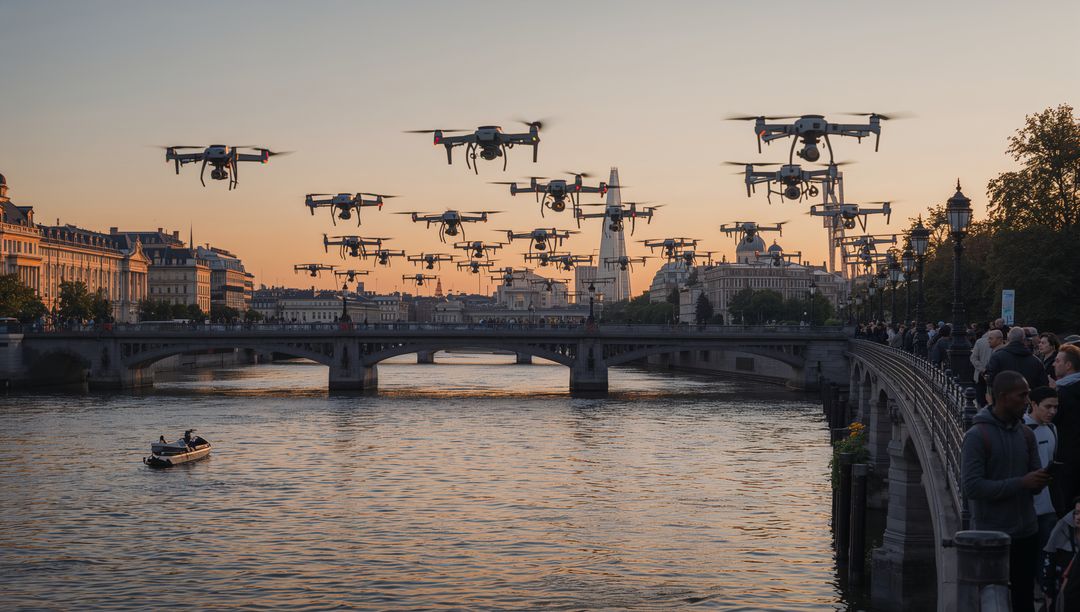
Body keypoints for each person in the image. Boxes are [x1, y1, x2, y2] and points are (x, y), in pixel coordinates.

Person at [962, 370, 1048, 612]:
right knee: (992, 597)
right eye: (1022, 395)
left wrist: (1040, 481)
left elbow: (1033, 477)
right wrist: (1022, 483)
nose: (1027, 401)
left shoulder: (1026, 434)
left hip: (1026, 532)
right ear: (1002, 397)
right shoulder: (977, 437)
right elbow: (972, 487)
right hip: (992, 538)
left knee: (1024, 598)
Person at [1025, 386, 1060, 551]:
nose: (1052, 411)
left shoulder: (1052, 428)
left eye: (1055, 407)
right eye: (1048, 406)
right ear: (1034, 404)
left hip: (1049, 506)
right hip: (1028, 507)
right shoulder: (1022, 429)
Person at [1053, 345, 1080, 517]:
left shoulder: (1062, 393)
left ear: (1068, 365)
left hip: (1066, 457)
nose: (1054, 364)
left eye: (1057, 361)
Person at [1040, 496, 1080, 612]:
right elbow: (1049, 560)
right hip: (1064, 592)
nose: (1078, 517)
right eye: (1076, 513)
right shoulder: (1062, 530)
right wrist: (1048, 592)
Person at [986, 326, 1049, 392]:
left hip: (1005, 399)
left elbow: (991, 381)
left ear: (1008, 338)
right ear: (1024, 339)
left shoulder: (997, 357)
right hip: (1028, 399)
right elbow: (1043, 385)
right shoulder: (1036, 361)